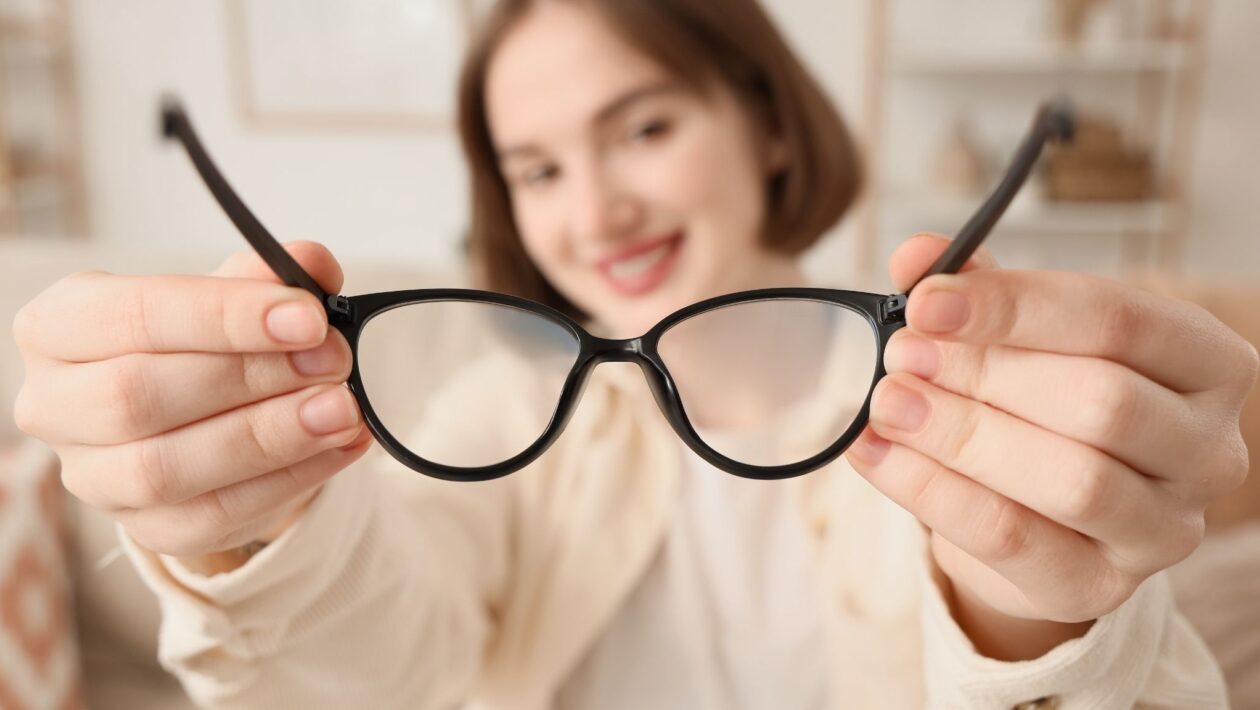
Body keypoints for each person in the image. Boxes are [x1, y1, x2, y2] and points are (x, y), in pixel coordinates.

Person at [11, 0, 1257, 707]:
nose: (596, 210)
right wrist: (247, 529)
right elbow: (368, 652)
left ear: (768, 125)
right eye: (538, 169)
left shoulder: (968, 412)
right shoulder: (494, 423)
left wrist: (1030, 608)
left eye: (643, 128)